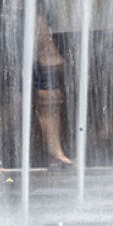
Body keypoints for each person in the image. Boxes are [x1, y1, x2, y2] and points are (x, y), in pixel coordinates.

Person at [33, 10, 73, 167]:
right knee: (14, 102)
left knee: (51, 98)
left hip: (35, 52)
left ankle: (56, 153)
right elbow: (36, 17)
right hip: (33, 52)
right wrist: (48, 51)